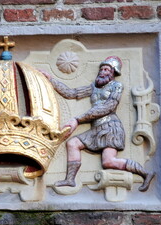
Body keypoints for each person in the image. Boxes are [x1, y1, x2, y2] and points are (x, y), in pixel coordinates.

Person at [46, 56, 154, 192]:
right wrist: (51, 80)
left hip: (110, 128)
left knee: (108, 162)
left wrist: (78, 119)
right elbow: (71, 93)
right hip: (96, 128)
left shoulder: (117, 86)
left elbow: (108, 107)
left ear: (113, 72)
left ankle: (145, 173)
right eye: (101, 69)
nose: (102, 72)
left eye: (106, 69)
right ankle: (70, 179)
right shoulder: (94, 87)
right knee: (72, 143)